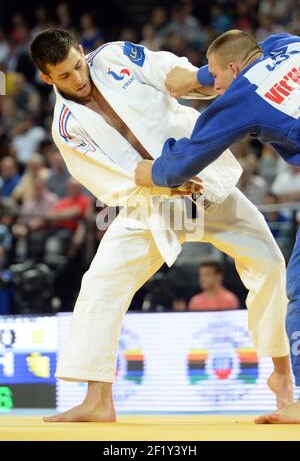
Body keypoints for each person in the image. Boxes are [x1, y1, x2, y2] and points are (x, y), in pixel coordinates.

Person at [29, 29, 292, 423]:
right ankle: (97, 398)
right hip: (152, 204)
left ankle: (282, 376)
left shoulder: (116, 57)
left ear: (82, 51)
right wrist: (164, 186)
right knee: (102, 284)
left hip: (204, 180)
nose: (79, 78)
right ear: (47, 79)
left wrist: (195, 76)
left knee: (270, 264)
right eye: (65, 76)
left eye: (78, 65)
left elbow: (167, 72)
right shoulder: (66, 127)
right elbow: (108, 181)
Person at [135, 29, 300, 423]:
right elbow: (254, 53)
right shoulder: (286, 45)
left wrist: (150, 171)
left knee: (299, 290)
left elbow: (180, 167)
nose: (217, 87)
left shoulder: (241, 98)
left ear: (233, 68)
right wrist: (200, 77)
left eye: (217, 76)